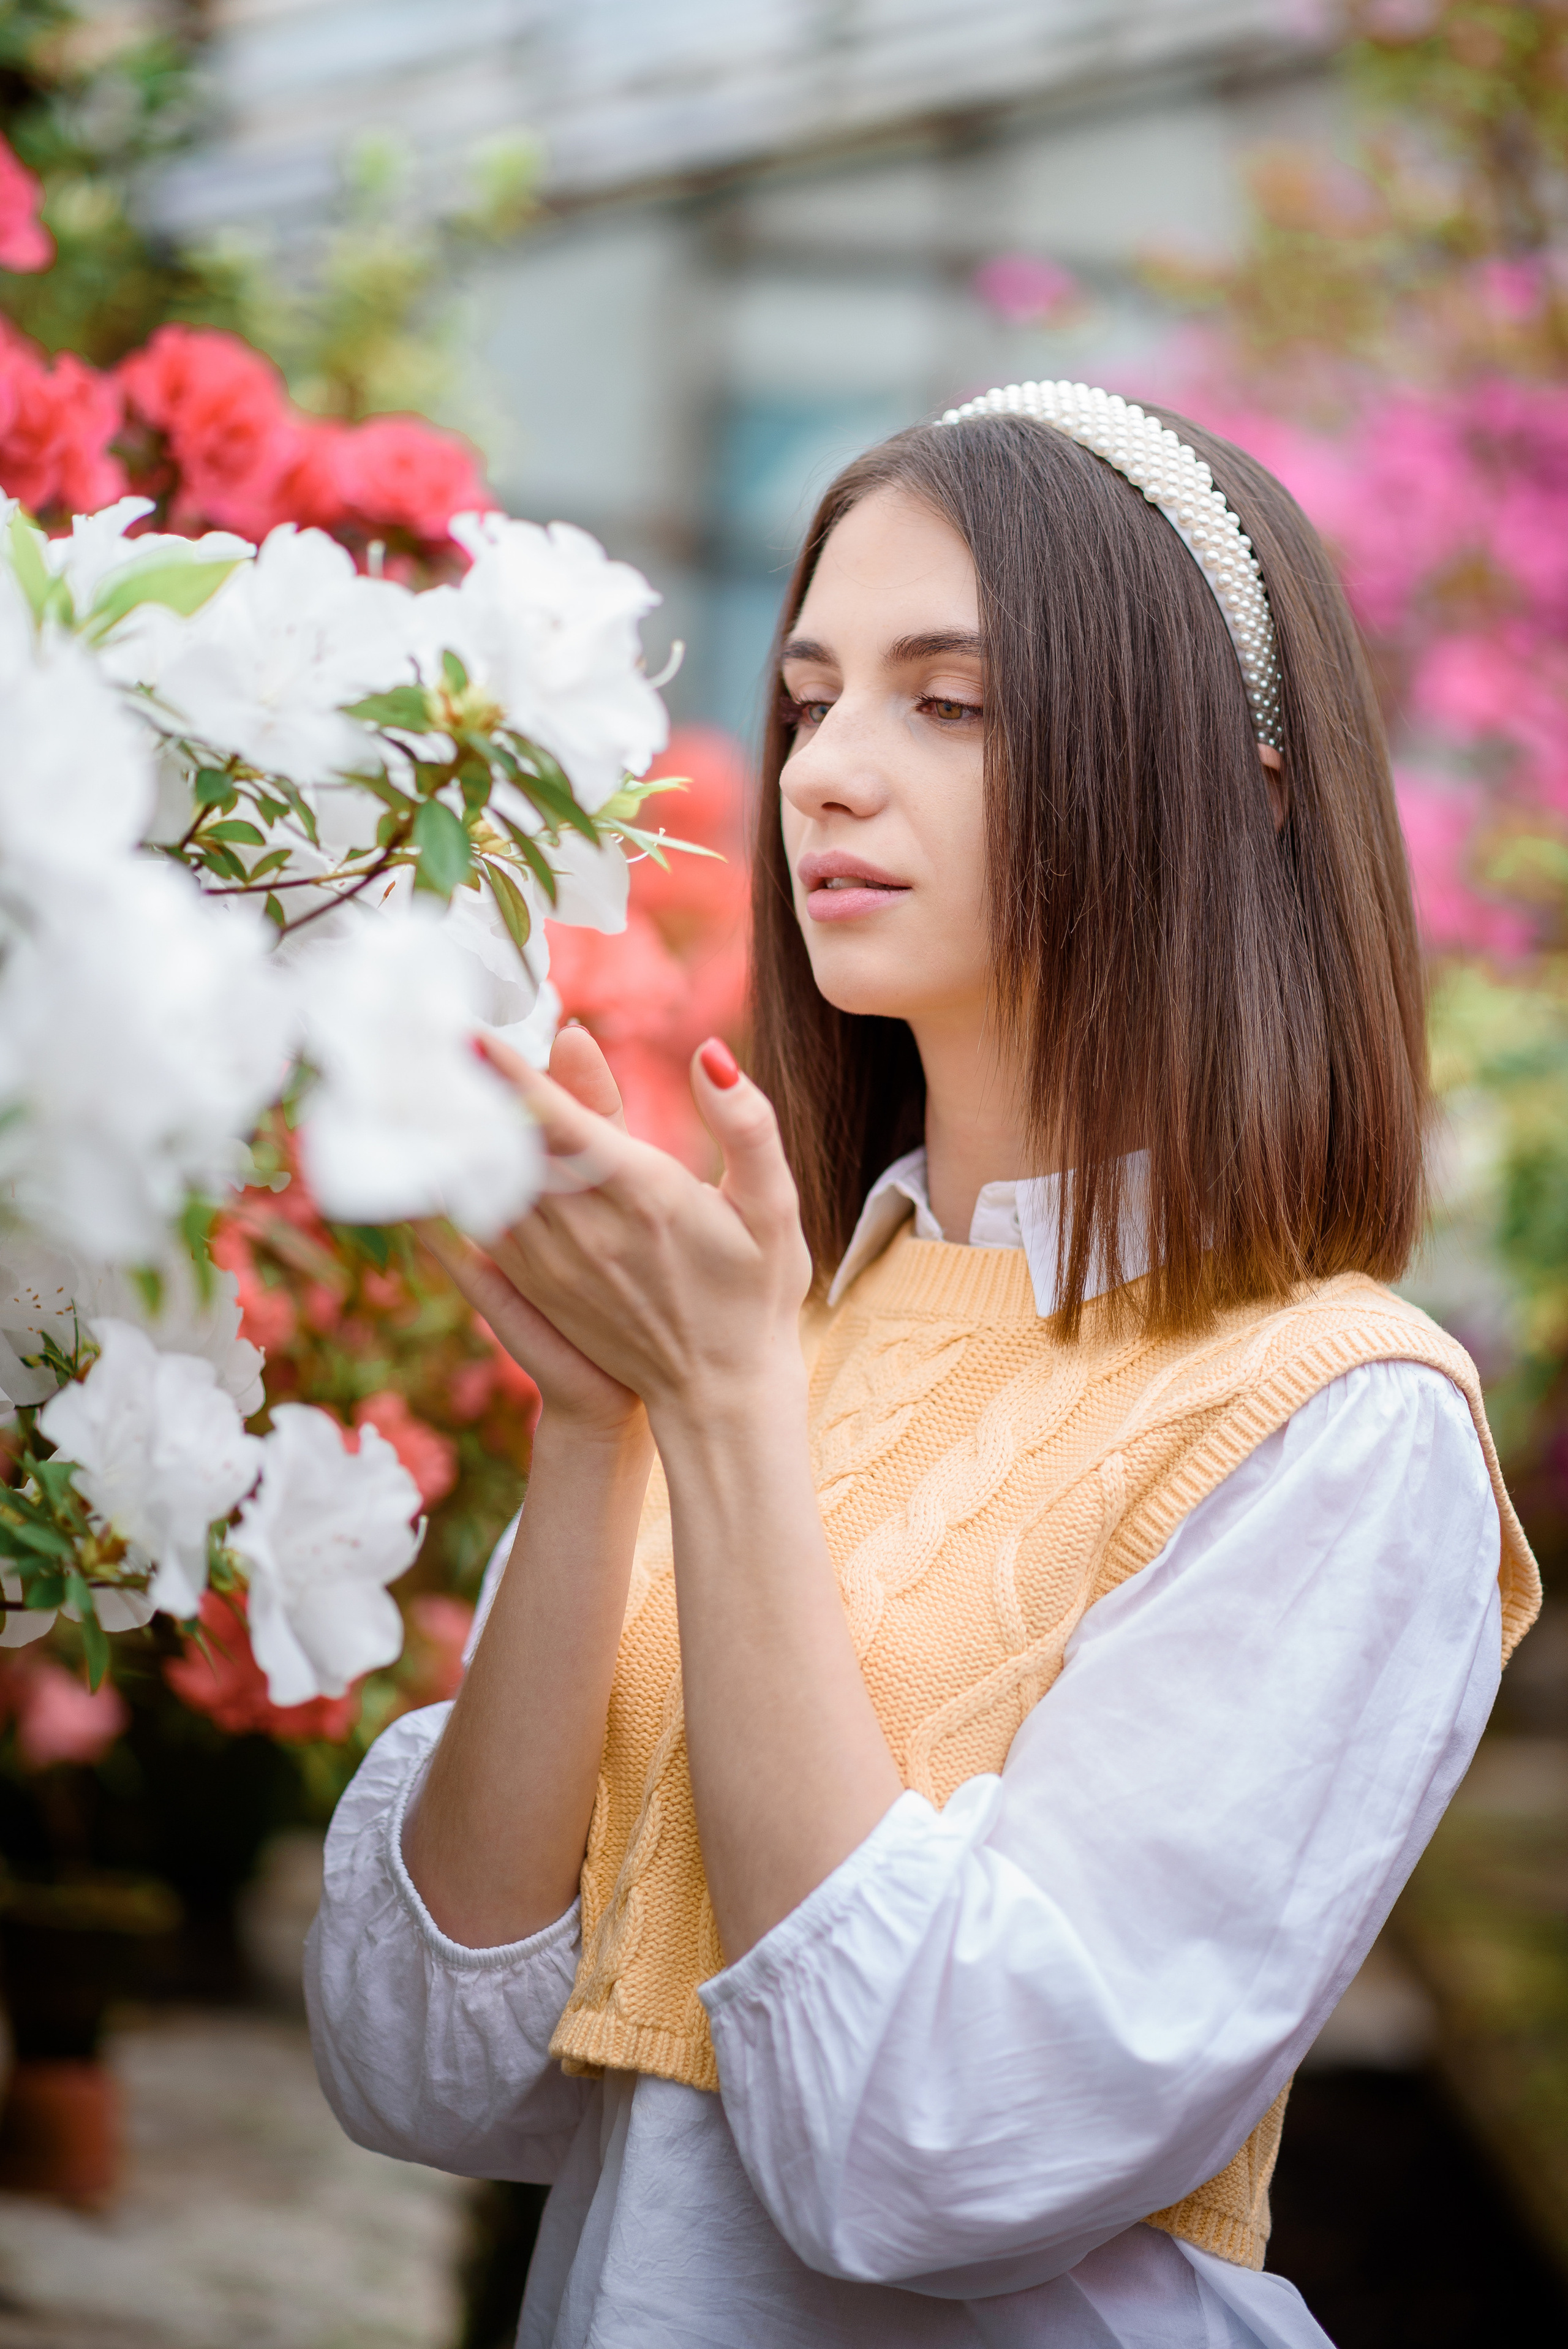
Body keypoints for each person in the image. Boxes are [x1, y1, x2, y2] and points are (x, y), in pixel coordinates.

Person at [306, 384, 1539, 2349]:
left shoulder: (1338, 1421)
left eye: (946, 703)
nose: (827, 774)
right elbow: (423, 2066)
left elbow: (932, 2149)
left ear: (1244, 788)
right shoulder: (757, 1321)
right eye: (808, 702)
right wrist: (599, 1427)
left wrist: (720, 1418)